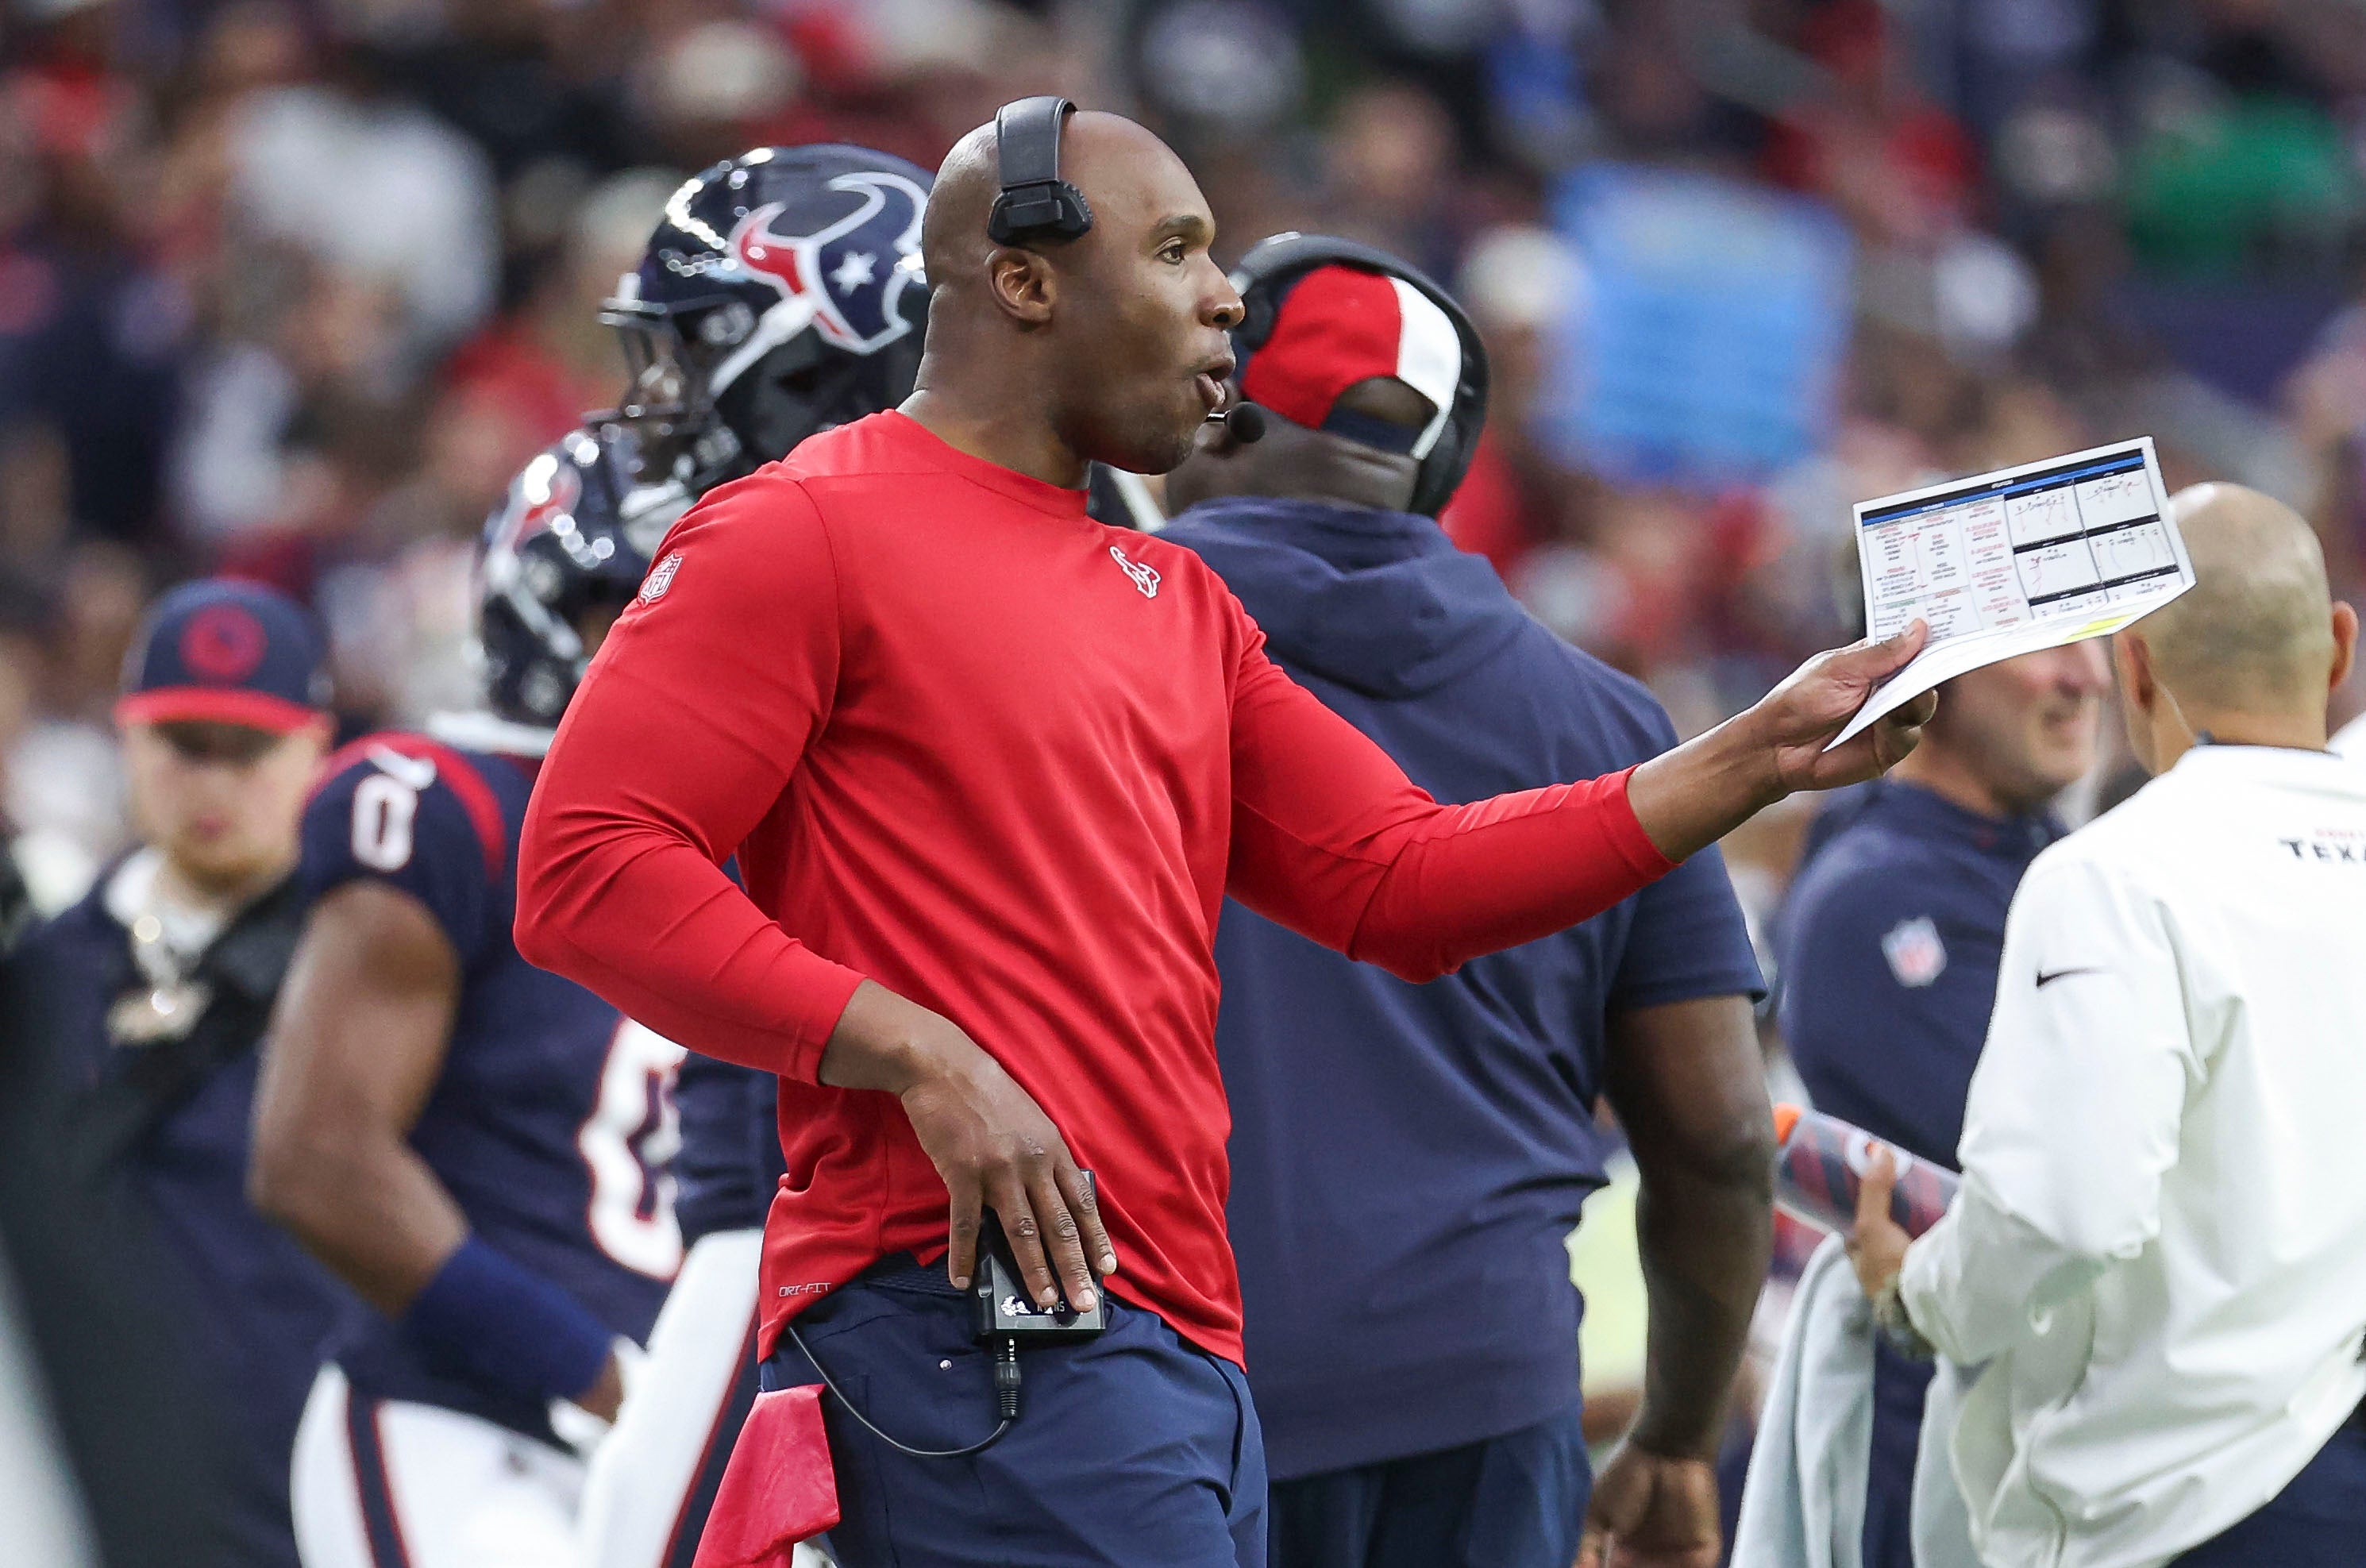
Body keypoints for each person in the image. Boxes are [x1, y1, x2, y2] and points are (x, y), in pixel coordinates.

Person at [514, 100, 1935, 1568]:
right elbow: (585, 871)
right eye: (1180, 250)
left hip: (1177, 1349)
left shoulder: (1173, 596)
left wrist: (1757, 752)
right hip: (968, 1323)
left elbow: (1406, 880)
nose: (1226, 296)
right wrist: (915, 1050)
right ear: (1025, 279)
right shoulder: (796, 528)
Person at [1156, 236, 1771, 1568]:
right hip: (1484, 1396)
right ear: (1441, 461)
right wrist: (1672, 1435)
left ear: (1204, 410)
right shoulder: (1608, 718)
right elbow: (1719, 1135)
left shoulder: (1085, 656)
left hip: (1158, 1396)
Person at [1849, 483, 2366, 1567]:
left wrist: (1921, 1294)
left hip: (2195, 1502)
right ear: (2337, 648)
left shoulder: (2114, 874)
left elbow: (2065, 1210)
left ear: (2131, 667)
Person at [563, 141, 934, 1568]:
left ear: (819, 347)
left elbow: (582, 877)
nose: (662, 396)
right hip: (831, 1181)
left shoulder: (812, 555)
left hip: (829, 1198)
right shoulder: (894, 536)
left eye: (701, 346)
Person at [249, 395, 691, 1563]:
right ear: (547, 607)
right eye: (639, 606)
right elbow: (317, 1158)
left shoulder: (770, 838)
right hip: (473, 1423)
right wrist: (596, 1374)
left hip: (681, 1435)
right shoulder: (450, 803)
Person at [20, 579, 345, 1568]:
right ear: (125, 736)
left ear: (316, 747)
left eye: (249, 748)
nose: (214, 783)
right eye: (182, 743)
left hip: (321, 1488)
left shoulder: (376, 967)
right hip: (99, 1492)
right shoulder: (40, 978)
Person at [1776, 641, 2109, 1567]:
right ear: (1931, 676)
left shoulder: (2060, 857)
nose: (2085, 677)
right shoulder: (1870, 894)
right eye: (2045, 648)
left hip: (2071, 1445)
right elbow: (2068, 1180)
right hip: (1946, 1456)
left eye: (2092, 642)